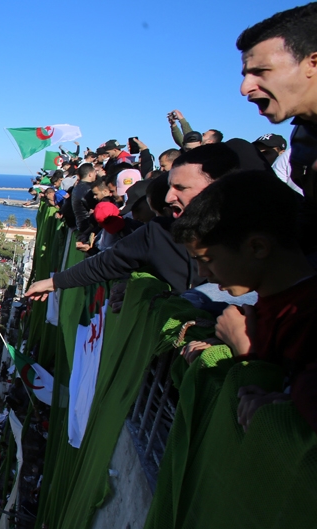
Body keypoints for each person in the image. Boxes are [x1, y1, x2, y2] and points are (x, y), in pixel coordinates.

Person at [172, 170, 317, 433]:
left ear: (257, 247)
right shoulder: (264, 308)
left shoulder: (306, 316)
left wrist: (245, 351)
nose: (203, 275)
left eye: (207, 260)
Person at [24, 144, 239, 298]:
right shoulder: (158, 232)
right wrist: (56, 282)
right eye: (170, 187)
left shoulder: (250, 233)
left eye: (181, 189)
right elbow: (110, 261)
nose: (168, 198)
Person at [237, 2, 317, 236]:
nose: (245, 88)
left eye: (261, 71)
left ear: (312, 63)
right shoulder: (302, 134)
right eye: (245, 75)